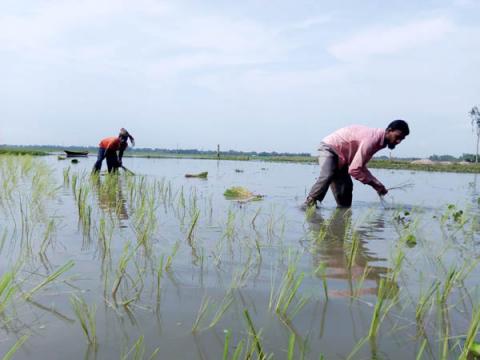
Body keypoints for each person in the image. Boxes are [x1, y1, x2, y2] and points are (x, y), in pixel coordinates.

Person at [304, 120, 409, 208]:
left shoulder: (380, 142)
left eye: (402, 139)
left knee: (346, 188)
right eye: (397, 137)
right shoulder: (372, 140)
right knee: (328, 175)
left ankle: (343, 212)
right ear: (389, 131)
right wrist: (375, 184)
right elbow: (354, 170)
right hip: (330, 148)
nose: (398, 141)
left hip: (344, 158)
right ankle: (308, 204)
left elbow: (360, 166)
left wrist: (378, 185)